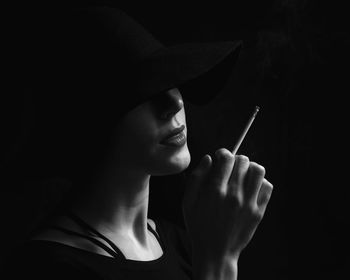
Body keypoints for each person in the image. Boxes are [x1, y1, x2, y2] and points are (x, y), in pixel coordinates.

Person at [4, 2, 273, 280]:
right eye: (146, 90)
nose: (175, 101)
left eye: (171, 81)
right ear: (91, 120)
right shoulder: (44, 267)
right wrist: (220, 260)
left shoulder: (183, 241)